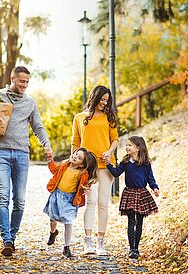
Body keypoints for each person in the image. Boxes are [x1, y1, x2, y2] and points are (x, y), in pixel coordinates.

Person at [0, 66, 53, 256]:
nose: (24, 85)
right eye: (21, 81)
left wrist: (46, 146)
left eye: (27, 82)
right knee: (3, 196)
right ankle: (6, 238)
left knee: (20, 200)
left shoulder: (30, 102)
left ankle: (11, 238)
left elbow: (38, 127)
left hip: (22, 155)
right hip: (0, 153)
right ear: (12, 78)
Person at [71, 85, 119, 255]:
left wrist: (109, 151)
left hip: (106, 166)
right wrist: (74, 164)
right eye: (102, 99)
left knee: (103, 204)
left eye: (107, 100)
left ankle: (101, 244)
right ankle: (88, 243)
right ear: (94, 98)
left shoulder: (109, 117)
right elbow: (76, 143)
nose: (104, 103)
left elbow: (115, 139)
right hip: (88, 167)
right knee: (90, 202)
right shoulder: (79, 118)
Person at [105, 136, 159, 259]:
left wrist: (154, 187)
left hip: (142, 194)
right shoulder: (125, 162)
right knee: (131, 221)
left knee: (139, 222)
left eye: (130, 145)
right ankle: (132, 249)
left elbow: (150, 178)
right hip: (129, 193)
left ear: (138, 148)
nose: (127, 147)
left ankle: (136, 248)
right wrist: (108, 164)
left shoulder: (145, 163)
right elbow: (116, 173)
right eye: (127, 145)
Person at [43, 148, 97, 258]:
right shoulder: (64, 164)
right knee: (52, 218)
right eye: (75, 154)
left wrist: (85, 187)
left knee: (68, 222)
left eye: (79, 157)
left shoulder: (81, 173)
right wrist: (50, 161)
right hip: (57, 195)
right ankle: (53, 232)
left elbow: (85, 184)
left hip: (69, 199)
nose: (75, 157)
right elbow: (54, 170)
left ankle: (66, 247)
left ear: (82, 165)